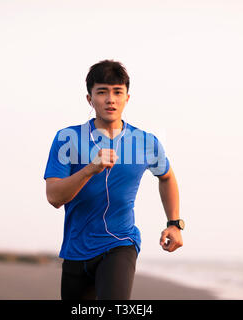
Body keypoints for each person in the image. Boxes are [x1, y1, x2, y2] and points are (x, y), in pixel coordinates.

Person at [44, 59, 184, 300]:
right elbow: (54, 197)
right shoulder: (68, 138)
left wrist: (174, 223)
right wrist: (90, 169)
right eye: (102, 92)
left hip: (121, 243)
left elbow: (167, 177)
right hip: (76, 250)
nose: (111, 99)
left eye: (118, 92)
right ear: (90, 99)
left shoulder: (145, 142)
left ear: (127, 98)